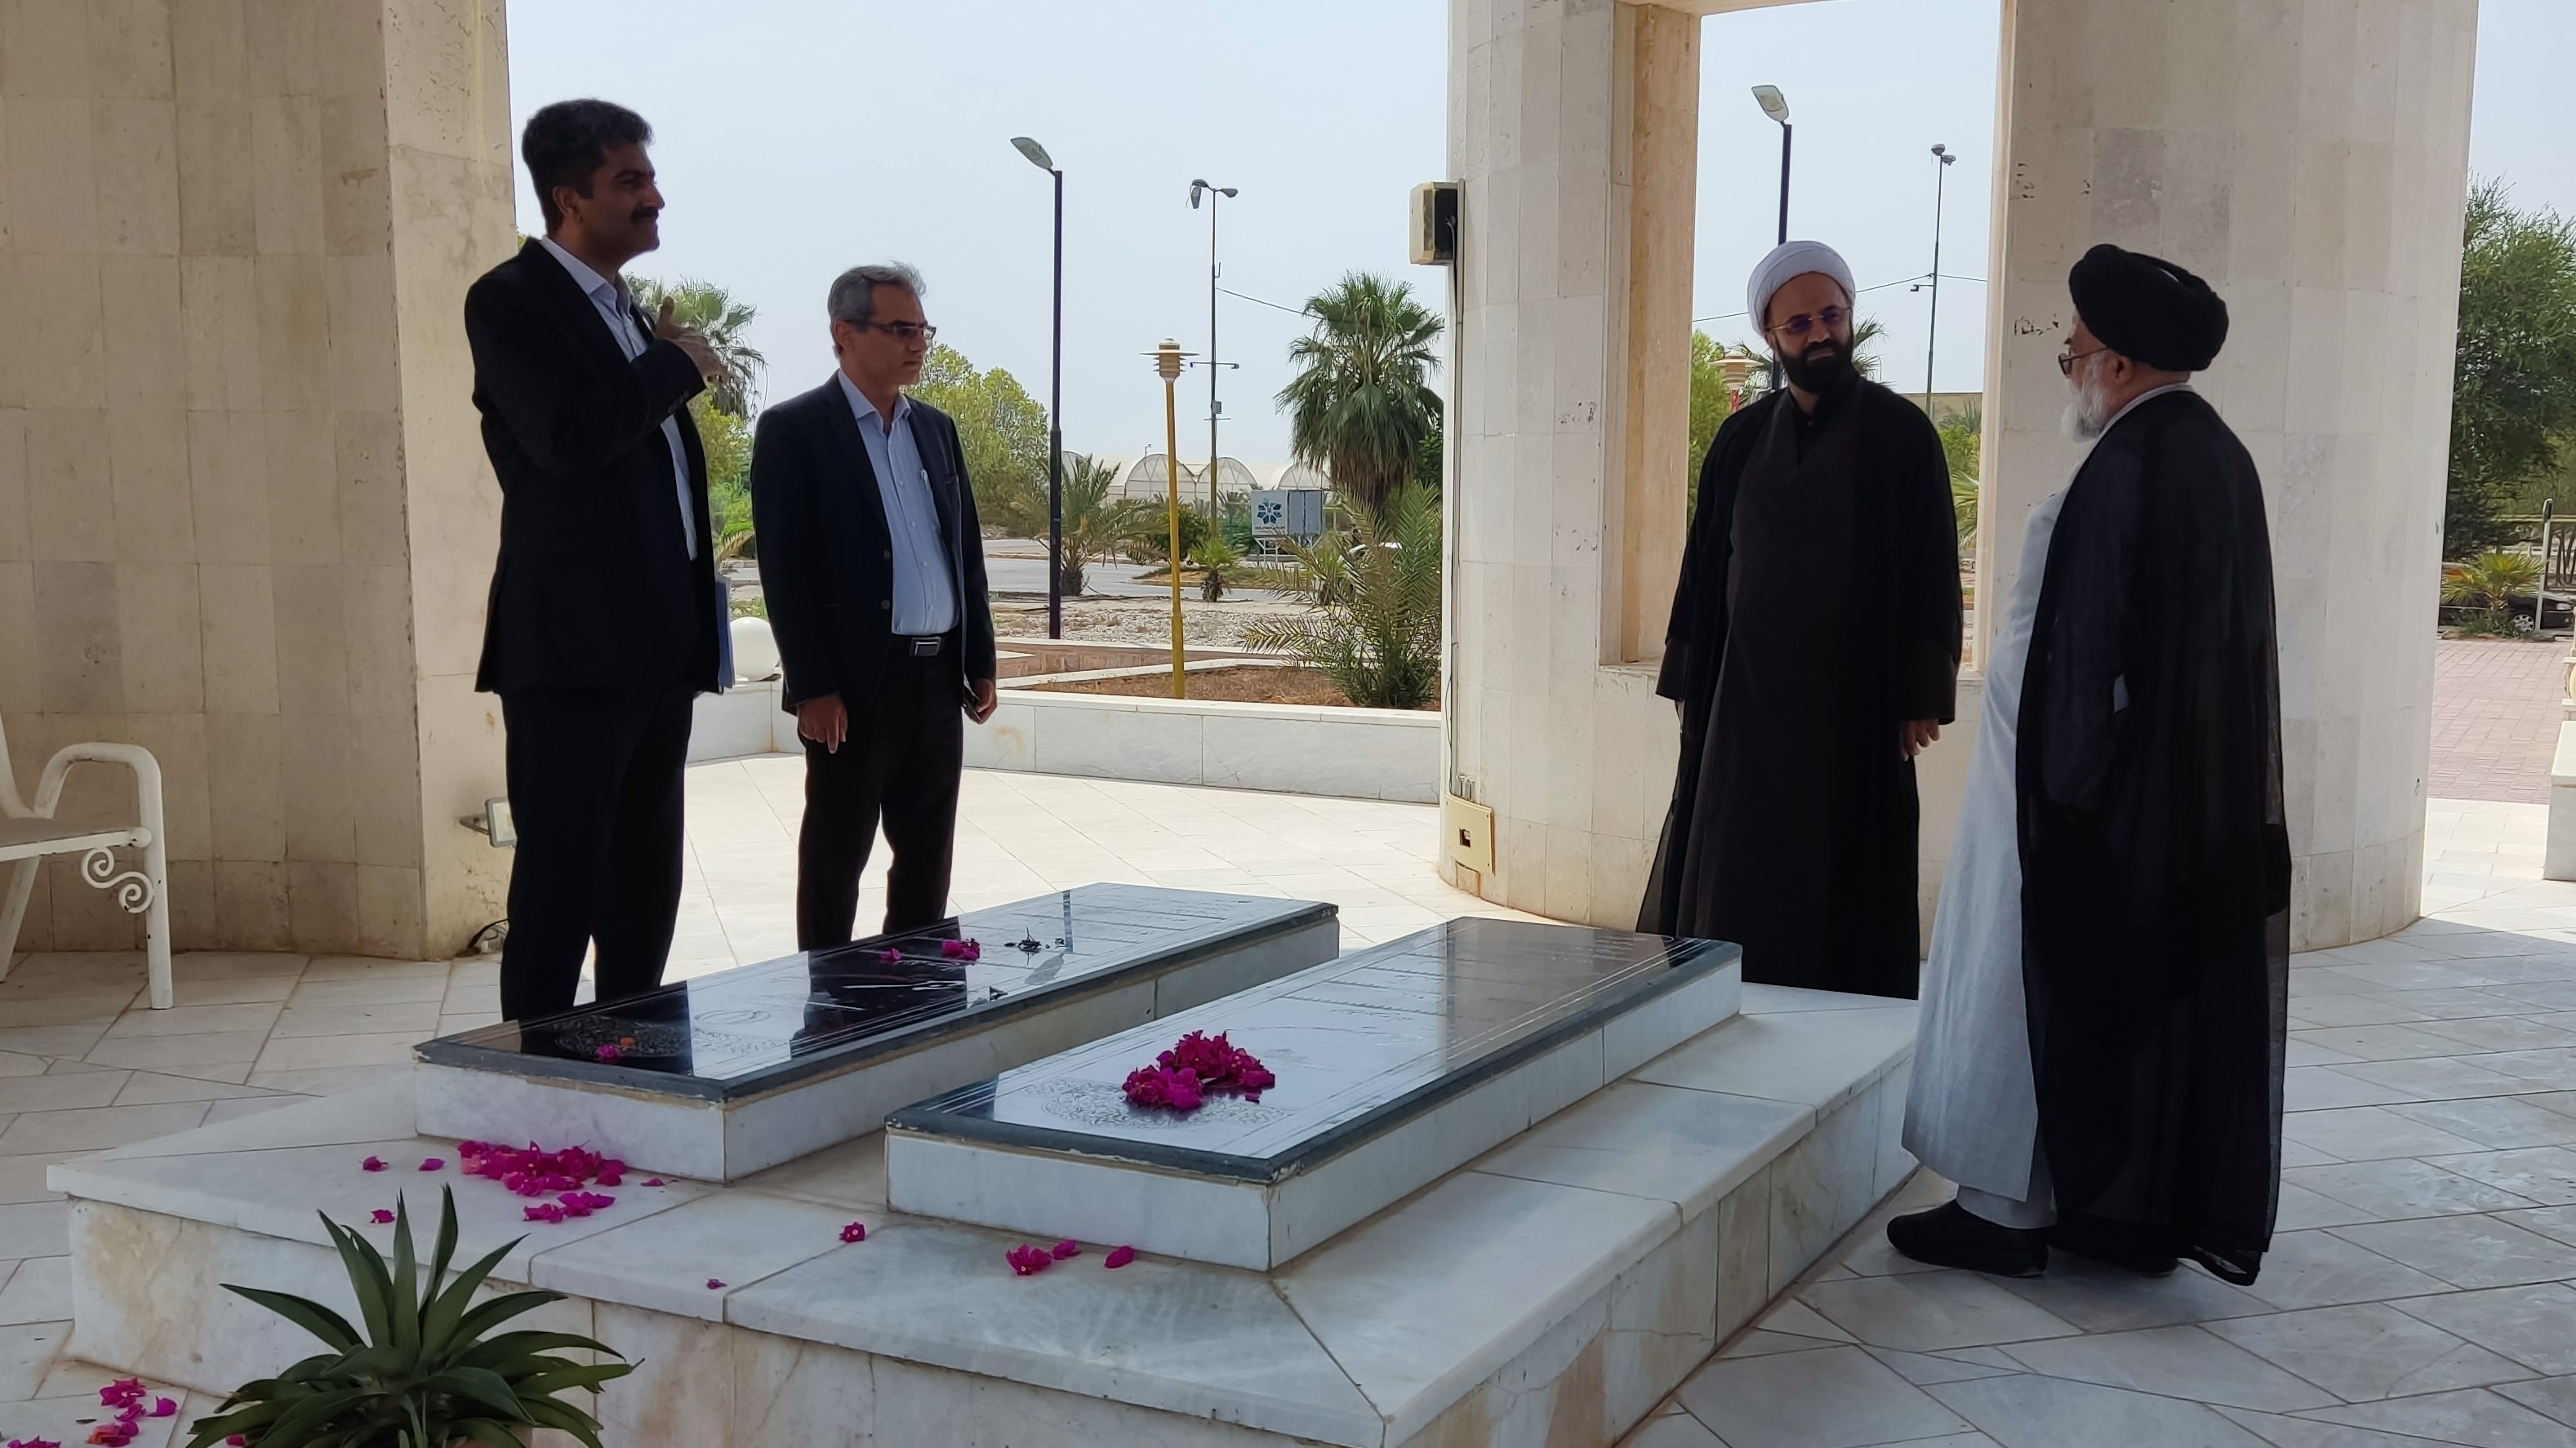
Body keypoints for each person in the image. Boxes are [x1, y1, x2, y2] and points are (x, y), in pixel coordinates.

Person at [1893, 245, 2289, 1283]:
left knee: (2023, 986)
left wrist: (2062, 805)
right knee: (2125, 1009)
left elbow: (2082, 661)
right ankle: (2120, 1215)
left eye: (2071, 351)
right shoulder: (2213, 454)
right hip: (2156, 800)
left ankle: (2000, 1213)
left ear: (2114, 364)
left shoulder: (2127, 468)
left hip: (2073, 798)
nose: (2066, 365)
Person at [1639, 240, 1962, 998]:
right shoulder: (1739, 439)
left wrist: (1921, 693)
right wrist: (1690, 678)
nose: (1820, 334)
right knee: (1734, 860)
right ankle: (1729, 999)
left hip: (1855, 701)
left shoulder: (1900, 435)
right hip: (1744, 703)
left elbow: (1932, 566)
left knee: (1843, 871)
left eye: (1831, 316)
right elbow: (1703, 566)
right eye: (1799, 324)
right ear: (1770, 336)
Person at [465, 99, 727, 1022]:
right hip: (573, 653)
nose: (654, 198)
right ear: (569, 198)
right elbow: (567, 440)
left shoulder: (628, 316)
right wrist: (675, 366)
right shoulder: (509, 301)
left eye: (650, 177)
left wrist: (661, 357)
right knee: (560, 884)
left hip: (658, 652)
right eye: (630, 181)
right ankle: (535, 1073)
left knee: (645, 885)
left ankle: (637, 1059)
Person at [750, 264, 999, 949]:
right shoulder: (795, 430)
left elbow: (965, 552)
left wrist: (979, 659)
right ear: (845, 333)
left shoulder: (936, 430)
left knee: (927, 859)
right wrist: (813, 686)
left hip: (936, 679)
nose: (917, 344)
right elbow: (784, 571)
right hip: (855, 688)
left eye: (922, 330)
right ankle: (826, 994)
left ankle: (915, 992)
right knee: (836, 858)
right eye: (899, 329)